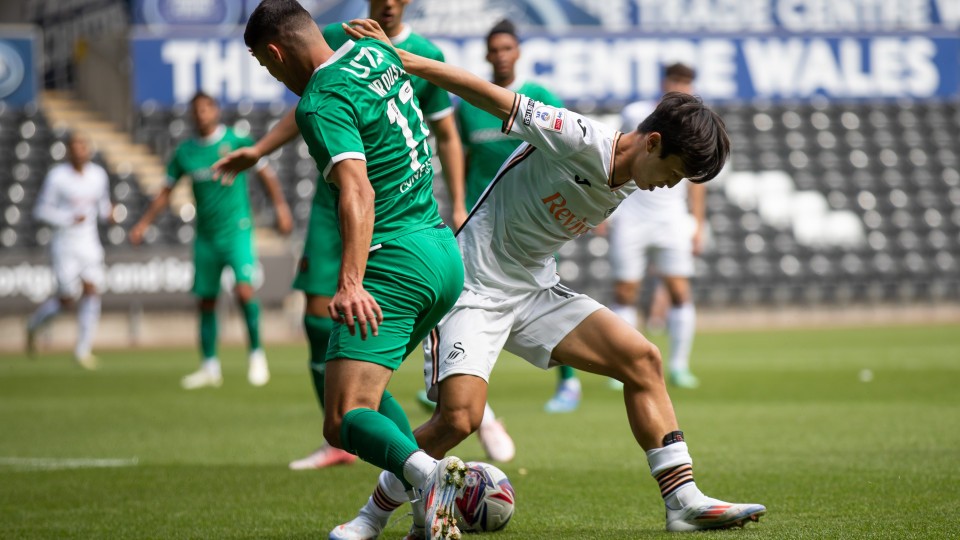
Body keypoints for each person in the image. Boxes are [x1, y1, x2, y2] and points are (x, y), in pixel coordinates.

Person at [332, 19, 765, 537]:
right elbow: (490, 96)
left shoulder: (634, 173)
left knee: (643, 360)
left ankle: (683, 502)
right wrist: (400, 59)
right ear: (651, 143)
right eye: (672, 173)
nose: (668, 187)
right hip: (474, 286)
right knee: (458, 421)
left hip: (535, 289)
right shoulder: (580, 137)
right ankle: (370, 517)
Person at [215, 0, 498, 471]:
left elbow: (358, 190)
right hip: (440, 251)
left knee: (344, 415)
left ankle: (438, 483)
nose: (273, 77)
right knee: (365, 391)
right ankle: (420, 503)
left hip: (396, 261)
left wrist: (350, 282)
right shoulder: (376, 52)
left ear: (275, 52)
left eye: (267, 66)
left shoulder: (319, 103)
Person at [451, 18, 581, 415]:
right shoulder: (473, 103)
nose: (502, 56)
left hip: (528, 219)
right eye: (495, 49)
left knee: (544, 292)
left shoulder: (538, 95)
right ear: (487, 55)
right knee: (458, 293)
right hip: (478, 218)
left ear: (518, 52)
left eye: (508, 48)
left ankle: (569, 383)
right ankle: (450, 376)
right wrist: (457, 203)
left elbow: (563, 151)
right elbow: (458, 155)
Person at [129, 91, 293, 389]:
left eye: (207, 108)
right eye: (197, 110)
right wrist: (143, 223)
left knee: (244, 292)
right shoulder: (186, 153)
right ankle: (209, 367)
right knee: (206, 300)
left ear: (215, 110)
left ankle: (256, 355)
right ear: (192, 114)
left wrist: (280, 208)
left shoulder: (236, 141)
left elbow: (265, 173)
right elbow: (166, 191)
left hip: (237, 230)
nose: (202, 114)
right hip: (205, 235)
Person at [609, 63, 706, 389]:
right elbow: (619, 156)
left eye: (686, 82)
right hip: (632, 215)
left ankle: (679, 366)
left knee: (679, 290)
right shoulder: (635, 113)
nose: (680, 86)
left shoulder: (694, 124)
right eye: (675, 79)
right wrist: (607, 210)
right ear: (664, 82)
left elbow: (697, 180)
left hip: (671, 219)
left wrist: (698, 223)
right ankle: (626, 368)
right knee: (625, 292)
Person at [26, 133, 112, 369]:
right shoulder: (57, 177)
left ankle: (83, 350)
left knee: (92, 291)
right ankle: (34, 325)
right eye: (74, 146)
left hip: (90, 244)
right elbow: (40, 211)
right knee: (66, 301)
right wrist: (68, 218)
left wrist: (110, 214)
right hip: (64, 245)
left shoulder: (98, 175)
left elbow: (102, 207)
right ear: (68, 150)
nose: (79, 151)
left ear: (89, 149)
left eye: (83, 146)